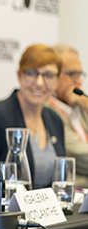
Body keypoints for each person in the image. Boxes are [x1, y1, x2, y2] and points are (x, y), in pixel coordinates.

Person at [0, 44, 65, 197]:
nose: (39, 83)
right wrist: (9, 200)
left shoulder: (55, 119)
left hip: (47, 216)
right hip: (6, 215)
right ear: (19, 75)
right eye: (31, 73)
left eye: (48, 75)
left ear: (57, 80)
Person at [47, 44, 88, 187]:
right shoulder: (46, 110)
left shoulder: (81, 105)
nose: (78, 81)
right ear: (54, 75)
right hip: (74, 194)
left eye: (80, 74)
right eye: (72, 74)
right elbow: (83, 157)